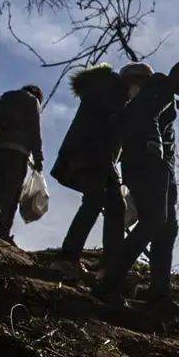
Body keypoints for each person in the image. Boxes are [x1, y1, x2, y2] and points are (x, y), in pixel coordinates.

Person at [92, 57, 179, 310]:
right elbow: (144, 114)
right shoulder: (160, 86)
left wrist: (169, 176)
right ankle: (110, 280)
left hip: (160, 167)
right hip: (147, 162)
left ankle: (159, 295)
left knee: (167, 228)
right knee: (155, 220)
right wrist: (152, 144)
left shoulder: (162, 91)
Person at [51, 61, 152, 275]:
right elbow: (105, 124)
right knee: (94, 201)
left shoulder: (120, 97)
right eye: (142, 83)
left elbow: (117, 137)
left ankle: (109, 266)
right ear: (131, 78)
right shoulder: (108, 88)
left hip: (103, 160)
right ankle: (67, 257)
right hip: (89, 155)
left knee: (116, 207)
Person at [0, 84, 43, 242]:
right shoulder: (32, 101)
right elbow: (34, 130)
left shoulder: (3, 99)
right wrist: (38, 157)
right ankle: (3, 232)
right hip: (16, 151)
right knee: (12, 192)